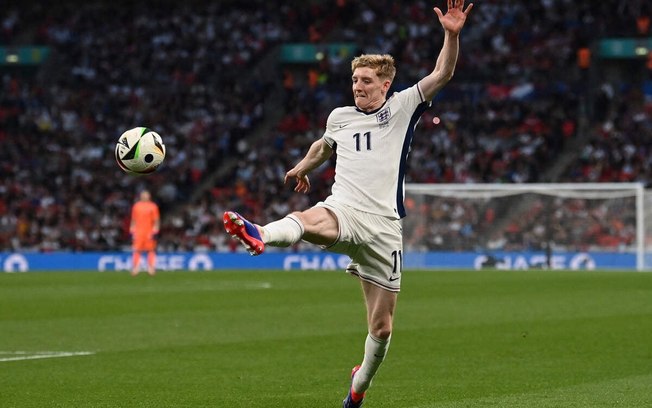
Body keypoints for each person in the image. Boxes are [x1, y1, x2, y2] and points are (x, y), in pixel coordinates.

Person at [223, 1, 472, 406]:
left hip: (385, 226)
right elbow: (324, 145)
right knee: (310, 218)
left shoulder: (403, 106)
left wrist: (452, 33)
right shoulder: (340, 116)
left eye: (367, 80)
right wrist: (304, 166)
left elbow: (443, 73)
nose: (358, 86)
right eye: (355, 79)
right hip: (345, 208)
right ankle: (259, 233)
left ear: (386, 84)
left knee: (382, 326)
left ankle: (359, 387)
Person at [130, 190, 160, 276]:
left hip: (149, 232)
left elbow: (156, 220)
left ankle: (151, 268)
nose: (145, 196)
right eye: (143, 195)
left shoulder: (153, 206)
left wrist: (155, 230)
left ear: (149, 196)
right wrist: (132, 230)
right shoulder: (136, 206)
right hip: (138, 232)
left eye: (146, 195)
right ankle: (135, 268)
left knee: (150, 250)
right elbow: (133, 219)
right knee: (137, 250)